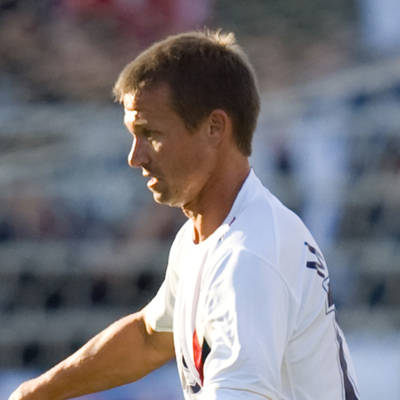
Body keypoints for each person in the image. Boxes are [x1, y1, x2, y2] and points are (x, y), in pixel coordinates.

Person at [9, 30, 360, 400]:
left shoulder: (250, 257)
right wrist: (36, 392)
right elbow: (149, 336)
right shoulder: (210, 234)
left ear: (214, 128)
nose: (135, 157)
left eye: (151, 134)